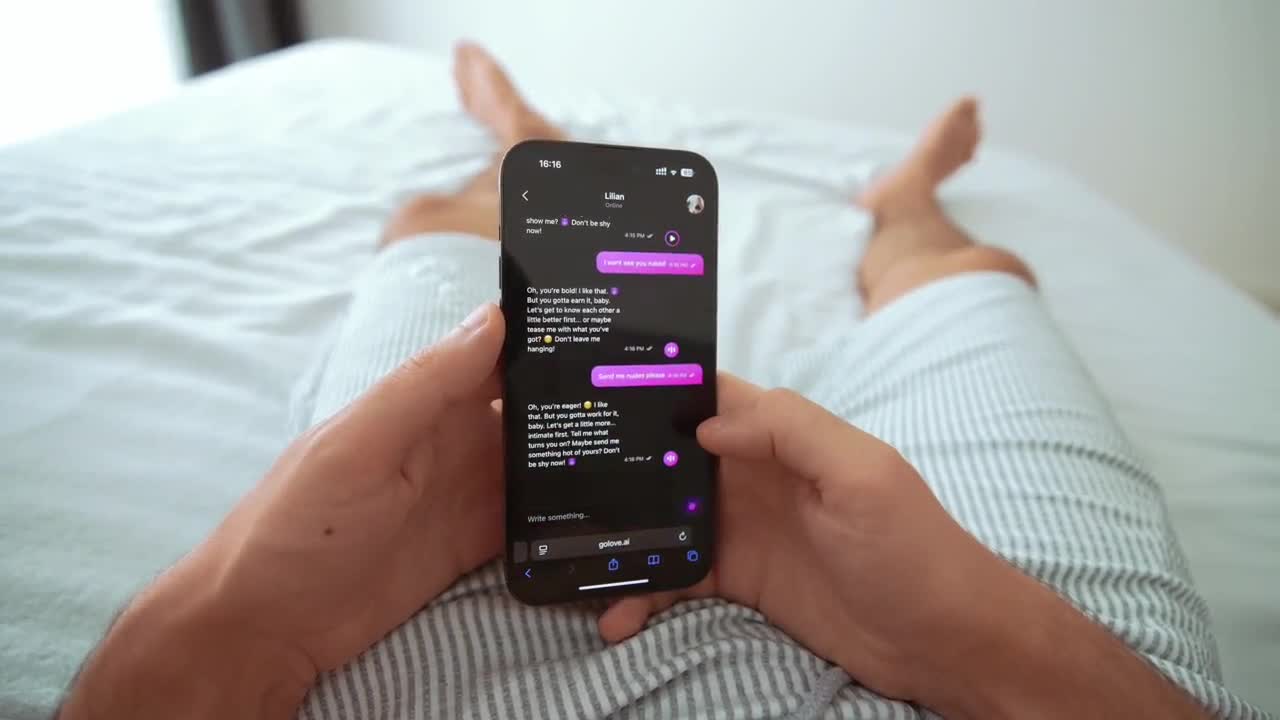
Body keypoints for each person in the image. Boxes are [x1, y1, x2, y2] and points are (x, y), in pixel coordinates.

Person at [56, 44, 1251, 720]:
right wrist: (993, 645)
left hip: (392, 608)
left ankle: (897, 198)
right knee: (965, 281)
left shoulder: (304, 598)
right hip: (1017, 659)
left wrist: (235, 627)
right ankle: (543, 144)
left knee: (436, 239)